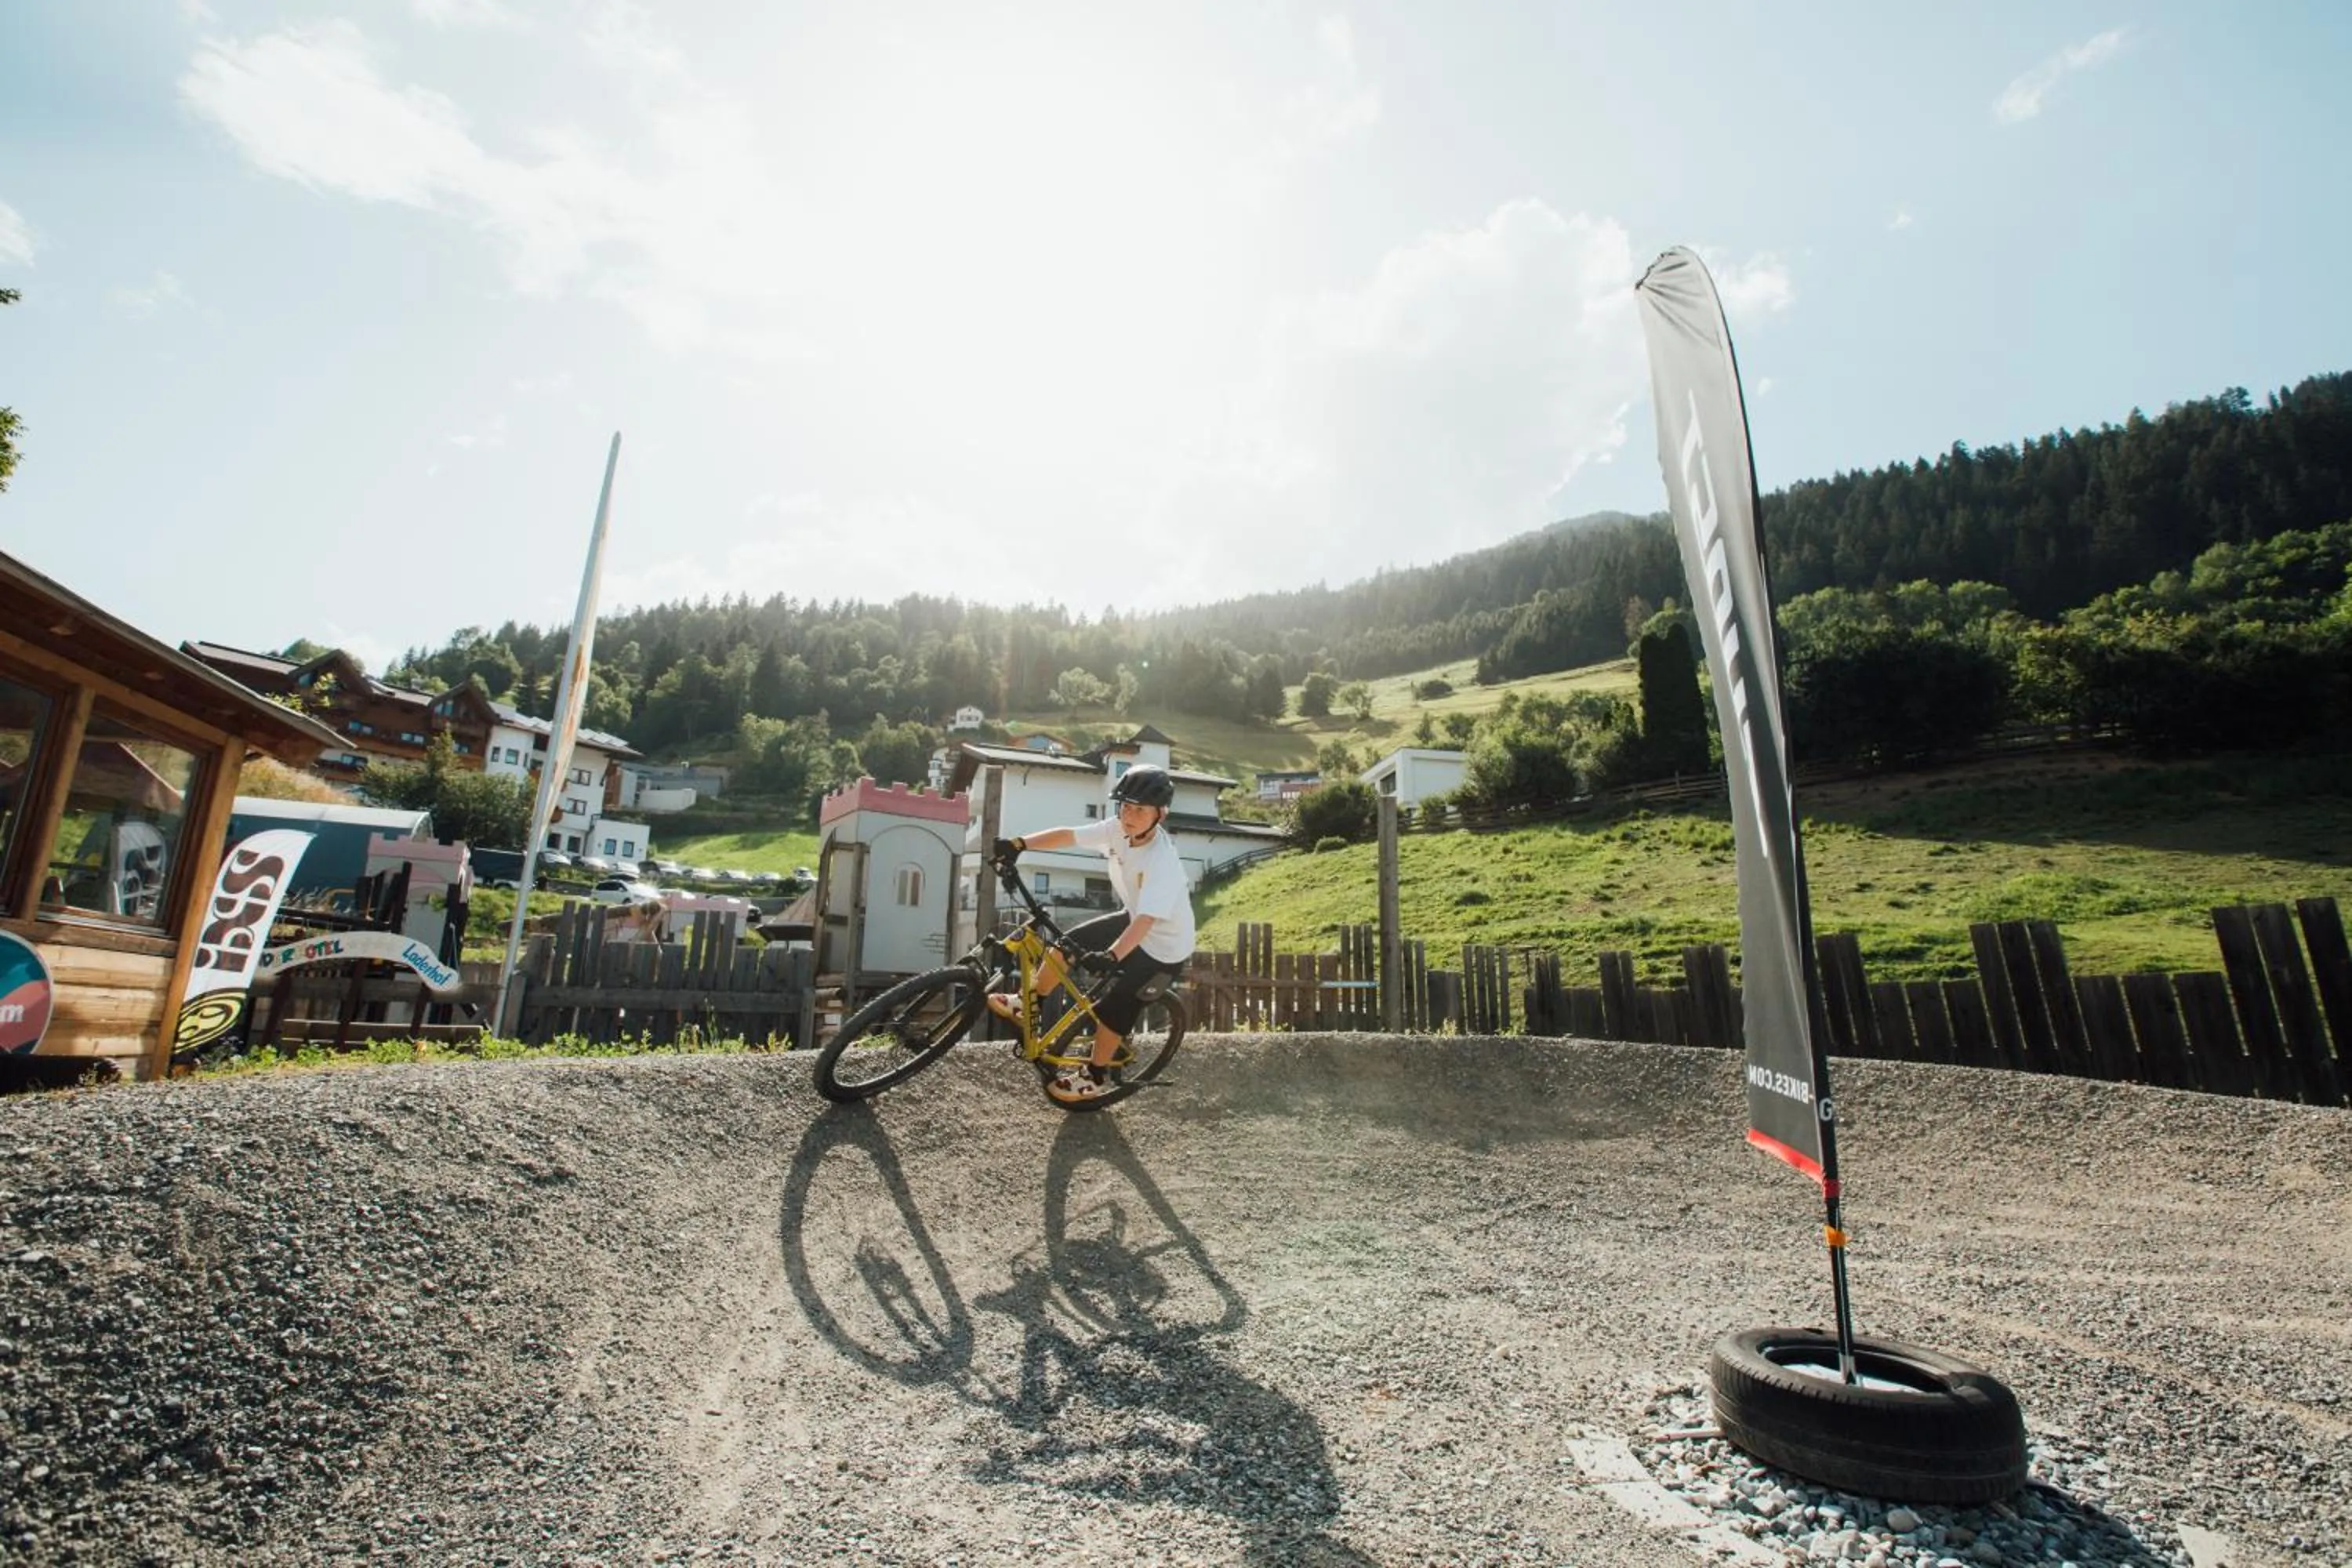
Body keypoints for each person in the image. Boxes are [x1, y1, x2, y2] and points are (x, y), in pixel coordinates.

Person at [989, 764, 1196, 1105]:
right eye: (1125, 806)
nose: (1129, 816)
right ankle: (1030, 1005)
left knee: (1114, 1008)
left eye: (1139, 810)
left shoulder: (1163, 863)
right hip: (1133, 919)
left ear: (1160, 814)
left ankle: (1096, 1076)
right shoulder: (1117, 829)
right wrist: (1020, 844)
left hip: (1163, 949)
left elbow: (1146, 922)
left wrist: (1112, 955)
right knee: (1067, 945)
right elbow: (1069, 835)